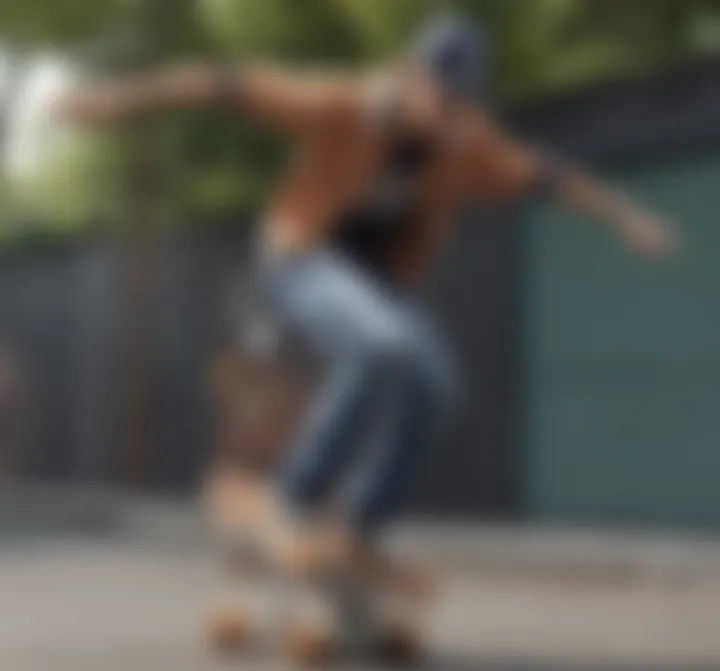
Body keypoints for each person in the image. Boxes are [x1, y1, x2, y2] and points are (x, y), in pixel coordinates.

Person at [56, 15, 675, 572]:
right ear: (409, 77)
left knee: (433, 385)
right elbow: (225, 84)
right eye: (439, 98)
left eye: (459, 105)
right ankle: (291, 498)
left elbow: (548, 175)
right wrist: (116, 99)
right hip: (301, 260)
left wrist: (625, 217)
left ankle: (359, 525)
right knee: (383, 346)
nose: (447, 117)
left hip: (384, 286)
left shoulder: (468, 145)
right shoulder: (338, 105)